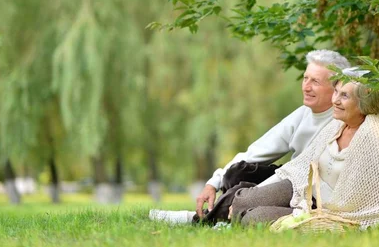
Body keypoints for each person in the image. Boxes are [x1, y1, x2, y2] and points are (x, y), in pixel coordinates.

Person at [149, 50, 350, 224]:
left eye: (315, 81)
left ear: (336, 88)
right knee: (235, 173)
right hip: (289, 180)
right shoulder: (303, 114)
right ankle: (228, 212)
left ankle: (200, 218)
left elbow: (305, 174)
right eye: (305, 78)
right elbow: (258, 151)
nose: (306, 87)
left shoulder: (341, 120)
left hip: (310, 191)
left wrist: (251, 195)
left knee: (247, 197)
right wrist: (214, 182)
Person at [229, 68, 379, 231]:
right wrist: (257, 192)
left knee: (252, 217)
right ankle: (219, 216)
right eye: (336, 91)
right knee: (242, 199)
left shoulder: (374, 133)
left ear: (363, 103)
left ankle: (241, 218)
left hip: (329, 210)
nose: (335, 100)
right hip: (304, 188)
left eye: (344, 96)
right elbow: (298, 166)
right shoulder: (336, 124)